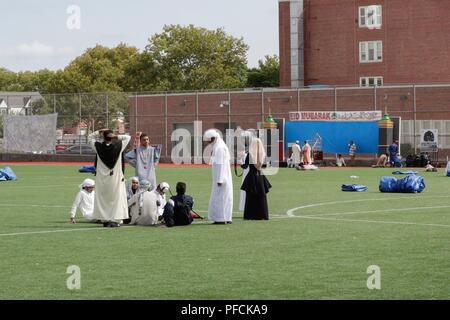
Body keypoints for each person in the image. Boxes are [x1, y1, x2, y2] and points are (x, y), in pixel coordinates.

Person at [88, 129, 131, 228]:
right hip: (115, 177)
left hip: (102, 178)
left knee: (103, 198)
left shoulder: (97, 147)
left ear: (103, 137)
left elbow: (90, 137)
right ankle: (114, 220)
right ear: (112, 137)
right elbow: (128, 137)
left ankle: (105, 219)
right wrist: (116, 137)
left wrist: (99, 131)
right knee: (116, 198)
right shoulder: (119, 146)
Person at [204, 129, 233, 224]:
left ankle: (220, 218)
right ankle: (226, 217)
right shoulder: (218, 146)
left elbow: (221, 165)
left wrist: (220, 179)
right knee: (225, 198)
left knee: (220, 198)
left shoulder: (220, 148)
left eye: (209, 140)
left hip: (221, 179)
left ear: (213, 138)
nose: (208, 143)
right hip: (222, 177)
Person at [241, 137, 271, 220]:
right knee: (261, 197)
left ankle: (250, 215)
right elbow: (265, 166)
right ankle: (262, 215)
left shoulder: (250, 154)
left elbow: (245, 166)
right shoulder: (263, 154)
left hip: (251, 176)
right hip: (260, 177)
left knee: (250, 197)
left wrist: (240, 162)